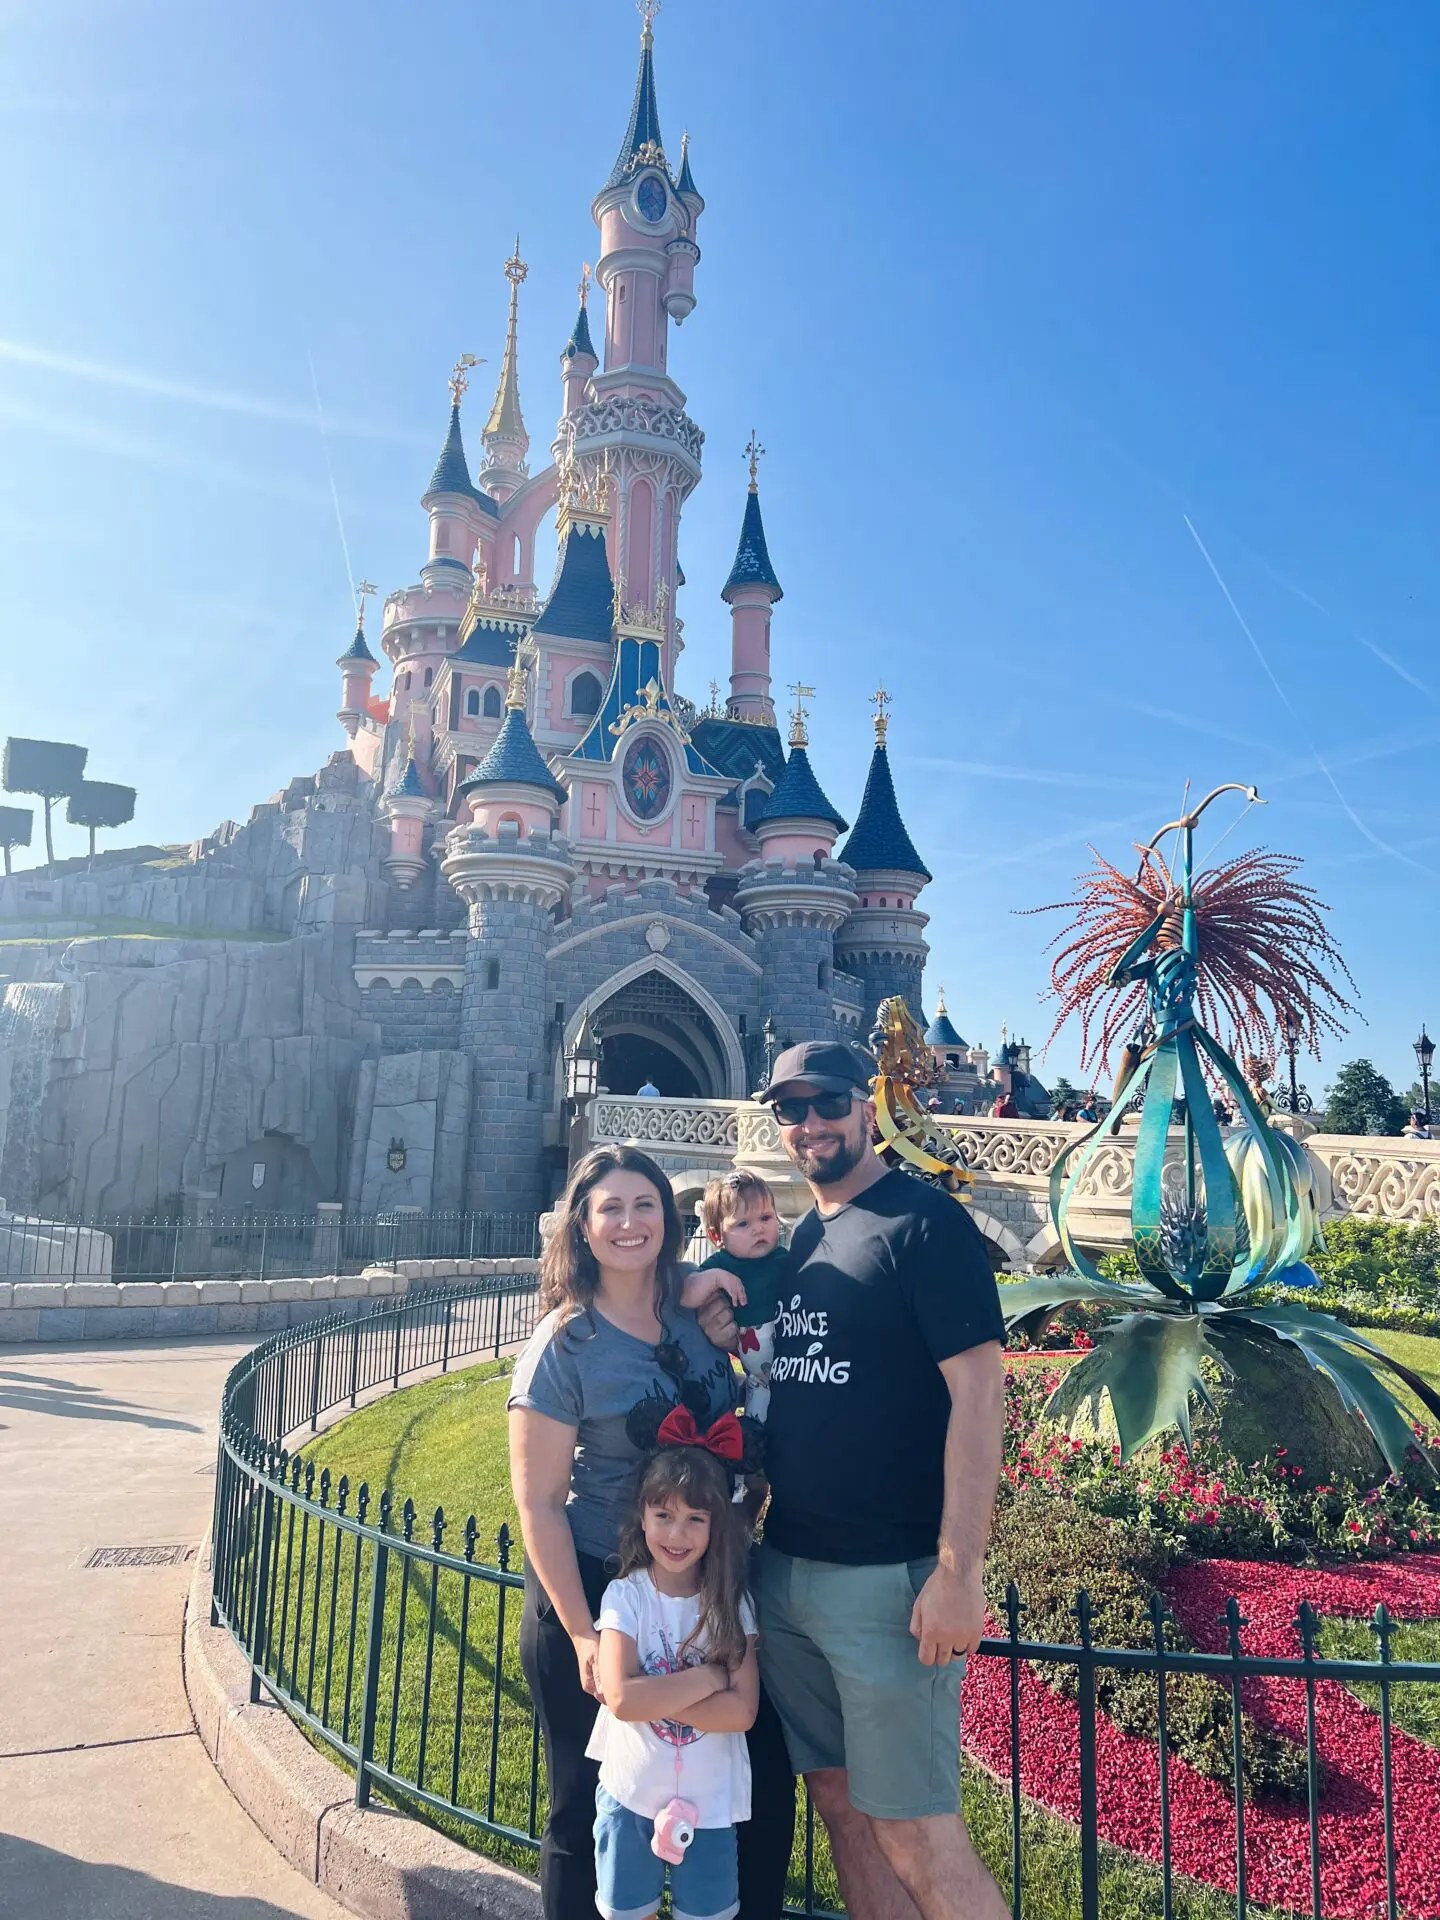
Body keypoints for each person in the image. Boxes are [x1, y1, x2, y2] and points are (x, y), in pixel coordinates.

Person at [698, 1041, 1009, 1920]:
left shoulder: (922, 1224)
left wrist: (959, 1571)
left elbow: (980, 1398)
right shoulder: (802, 1237)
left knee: (916, 1829)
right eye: (787, 1111)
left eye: (826, 1102)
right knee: (837, 1803)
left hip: (886, 1581)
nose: (809, 1125)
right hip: (787, 1570)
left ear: (867, 1105)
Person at [508, 1145, 793, 1920]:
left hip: (708, 1582)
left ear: (669, 1221)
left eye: (646, 1206)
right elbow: (536, 1503)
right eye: (611, 1208)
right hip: (604, 1583)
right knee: (586, 1800)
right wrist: (580, 1634)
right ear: (583, 1225)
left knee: (756, 1777)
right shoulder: (565, 1346)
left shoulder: (697, 1313)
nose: (630, 1223)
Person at [589, 1433, 759, 1920]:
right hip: (630, 1798)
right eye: (663, 1516)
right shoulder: (625, 1597)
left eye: (694, 1520)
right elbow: (621, 1699)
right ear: (642, 1517)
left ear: (714, 1526)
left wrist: (654, 1693)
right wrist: (709, 1677)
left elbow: (742, 1711)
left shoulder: (731, 1605)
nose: (677, 1535)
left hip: (711, 1807)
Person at [681, 1171, 789, 1420]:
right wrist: (716, 1278)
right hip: (755, 1372)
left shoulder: (783, 1260)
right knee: (757, 1420)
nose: (758, 1229)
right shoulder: (721, 1265)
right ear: (716, 1236)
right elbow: (685, 1295)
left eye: (765, 1218)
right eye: (743, 1224)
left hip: (791, 1366)